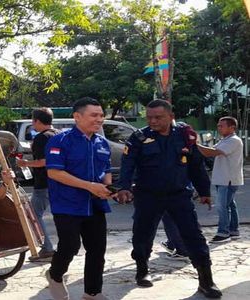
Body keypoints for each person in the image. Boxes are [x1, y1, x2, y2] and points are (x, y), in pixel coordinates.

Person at [117, 100, 222, 298]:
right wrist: (123, 187)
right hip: (148, 195)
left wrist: (204, 192)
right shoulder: (139, 138)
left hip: (178, 195)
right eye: (149, 117)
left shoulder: (185, 136)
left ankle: (206, 280)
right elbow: (127, 163)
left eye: (158, 117)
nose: (153, 121)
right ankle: (142, 270)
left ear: (171, 116)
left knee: (194, 236)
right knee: (142, 234)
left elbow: (196, 166)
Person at [44, 98, 113, 300]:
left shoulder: (102, 143)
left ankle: (92, 293)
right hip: (67, 204)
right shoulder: (60, 140)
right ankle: (55, 275)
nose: (99, 119)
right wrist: (89, 186)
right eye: (94, 115)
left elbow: (106, 171)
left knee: (97, 250)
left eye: (101, 115)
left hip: (96, 204)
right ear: (77, 116)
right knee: (70, 246)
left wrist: (108, 188)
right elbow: (55, 173)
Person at [16, 107, 59, 262]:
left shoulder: (42, 138)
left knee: (33, 215)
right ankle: (63, 247)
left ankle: (47, 248)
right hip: (60, 181)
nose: (33, 124)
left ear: (37, 121)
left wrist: (26, 163)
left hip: (44, 183)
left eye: (33, 121)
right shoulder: (58, 134)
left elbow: (44, 161)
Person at [197, 116, 244, 243]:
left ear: (232, 127)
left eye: (221, 126)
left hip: (228, 179)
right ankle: (234, 230)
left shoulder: (234, 140)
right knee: (230, 205)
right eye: (218, 125)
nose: (218, 128)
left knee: (222, 206)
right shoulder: (225, 140)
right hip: (223, 178)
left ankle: (223, 232)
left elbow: (211, 152)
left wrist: (196, 144)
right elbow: (210, 151)